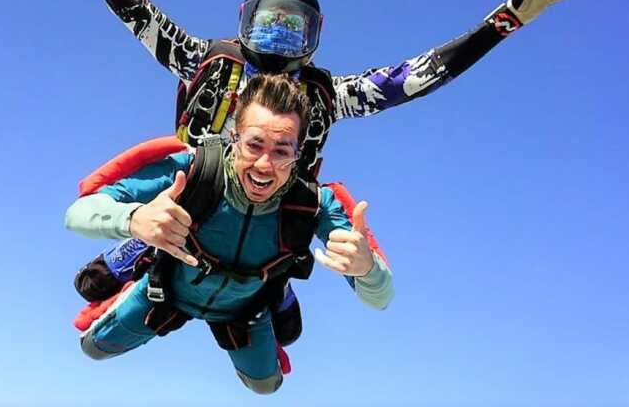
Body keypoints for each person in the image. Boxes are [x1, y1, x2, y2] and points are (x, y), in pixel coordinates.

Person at [8, 0, 572, 345]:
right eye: (267, 24)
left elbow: (415, 77)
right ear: (244, 22)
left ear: (315, 36)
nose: (278, 38)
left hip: (276, 208)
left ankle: (273, 276)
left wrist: (506, 20)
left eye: (292, 28)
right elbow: (130, 3)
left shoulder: (327, 93)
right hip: (193, 192)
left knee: (278, 343)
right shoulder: (207, 59)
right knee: (104, 290)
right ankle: (147, 248)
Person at [65, 74, 394, 394]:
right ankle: (145, 244)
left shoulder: (313, 203)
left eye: (282, 150)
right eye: (254, 145)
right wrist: (134, 218)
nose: (265, 164)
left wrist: (366, 268)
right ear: (234, 138)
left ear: (299, 154)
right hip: (166, 291)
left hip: (243, 311)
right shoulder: (196, 171)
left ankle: (277, 291)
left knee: (266, 386)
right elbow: (77, 214)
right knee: (93, 348)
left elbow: (381, 299)